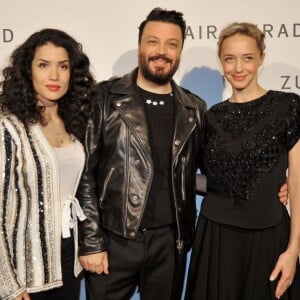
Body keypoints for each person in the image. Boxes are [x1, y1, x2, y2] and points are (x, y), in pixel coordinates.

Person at [76, 7, 206, 300]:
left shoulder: (194, 109)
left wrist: (272, 186)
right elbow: (85, 175)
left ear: (180, 50)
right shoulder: (105, 98)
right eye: (153, 41)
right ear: (140, 46)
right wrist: (92, 241)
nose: (162, 51)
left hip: (170, 245)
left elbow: (203, 173)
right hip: (114, 241)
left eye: (172, 44)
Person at [185, 22, 300, 300]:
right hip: (216, 238)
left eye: (247, 57)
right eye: (230, 58)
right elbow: (203, 178)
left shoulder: (288, 106)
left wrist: (294, 249)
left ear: (261, 57)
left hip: (269, 237)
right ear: (221, 61)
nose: (238, 68)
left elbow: (296, 180)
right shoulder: (209, 117)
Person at [0, 28, 95, 300]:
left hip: (67, 261)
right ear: (28, 71)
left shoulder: (74, 122)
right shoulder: (9, 127)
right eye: (44, 65)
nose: (54, 76)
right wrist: (9, 284)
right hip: (24, 273)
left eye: (62, 66)